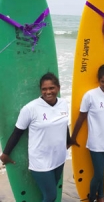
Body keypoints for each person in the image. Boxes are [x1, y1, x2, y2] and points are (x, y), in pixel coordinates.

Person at [0, 73, 69, 202]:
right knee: (51, 196)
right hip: (41, 162)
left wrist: (69, 141)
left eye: (52, 88)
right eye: (44, 89)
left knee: (50, 192)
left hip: (59, 158)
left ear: (58, 88)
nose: (48, 92)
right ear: (40, 90)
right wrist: (5, 153)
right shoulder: (30, 108)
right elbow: (17, 132)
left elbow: (64, 124)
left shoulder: (63, 104)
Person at [70, 64, 104, 202]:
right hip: (96, 142)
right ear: (98, 80)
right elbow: (81, 117)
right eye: (103, 81)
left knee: (102, 171)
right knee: (99, 173)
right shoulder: (90, 96)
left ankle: (101, 197)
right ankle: (92, 198)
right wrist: (73, 138)